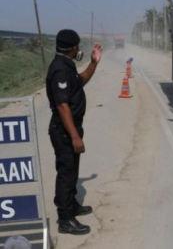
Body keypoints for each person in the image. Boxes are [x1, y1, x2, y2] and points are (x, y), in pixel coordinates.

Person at [46, 29, 102, 235]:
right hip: (64, 131)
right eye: (78, 46)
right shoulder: (60, 69)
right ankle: (65, 219)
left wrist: (94, 63)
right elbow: (62, 105)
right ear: (73, 48)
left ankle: (72, 205)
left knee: (73, 171)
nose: (79, 49)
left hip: (70, 129)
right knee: (66, 174)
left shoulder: (67, 65)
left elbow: (80, 81)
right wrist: (75, 136)